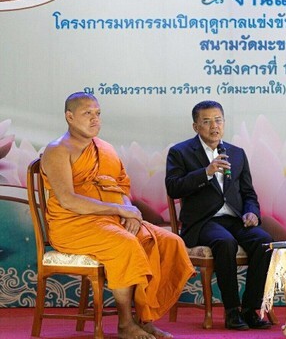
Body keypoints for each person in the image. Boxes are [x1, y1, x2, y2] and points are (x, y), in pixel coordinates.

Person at [41, 92, 195, 339]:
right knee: (125, 244)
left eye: (98, 113)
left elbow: (121, 187)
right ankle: (125, 323)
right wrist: (120, 210)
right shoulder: (57, 150)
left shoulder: (105, 148)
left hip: (114, 220)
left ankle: (145, 318)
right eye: (87, 114)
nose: (95, 120)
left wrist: (131, 214)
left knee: (170, 242)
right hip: (74, 226)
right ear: (69, 117)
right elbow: (68, 200)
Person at [165, 100, 273, 330]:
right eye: (206, 122)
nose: (214, 126)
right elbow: (173, 187)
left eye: (218, 120)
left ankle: (250, 309)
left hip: (234, 219)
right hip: (203, 222)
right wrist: (206, 172)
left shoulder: (236, 153)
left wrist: (251, 212)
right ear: (196, 127)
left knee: (264, 241)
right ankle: (232, 310)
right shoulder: (180, 152)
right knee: (225, 242)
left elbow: (248, 193)